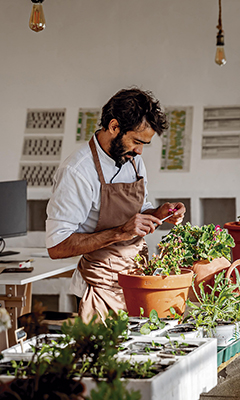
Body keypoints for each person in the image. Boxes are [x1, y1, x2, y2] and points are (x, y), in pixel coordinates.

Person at [45, 88, 186, 322]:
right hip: (99, 288)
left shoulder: (133, 160)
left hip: (136, 279)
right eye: (137, 141)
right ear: (113, 126)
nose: (140, 151)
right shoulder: (78, 171)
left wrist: (159, 213)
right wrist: (120, 233)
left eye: (144, 145)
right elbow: (57, 246)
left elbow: (139, 210)